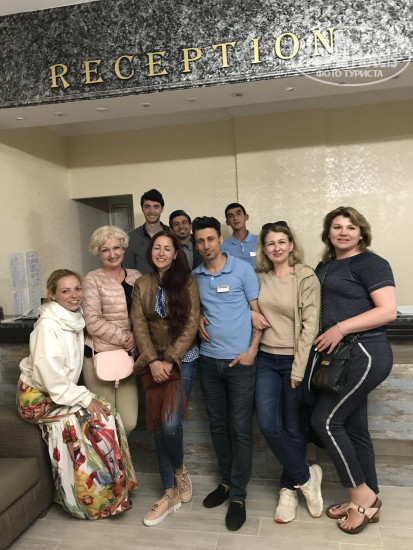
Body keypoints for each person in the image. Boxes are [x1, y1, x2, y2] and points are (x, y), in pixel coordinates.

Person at [17, 269, 137, 519]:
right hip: (37, 398)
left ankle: (117, 488)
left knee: (108, 414)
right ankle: (89, 501)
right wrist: (84, 398)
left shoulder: (74, 319)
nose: (74, 295)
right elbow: (50, 377)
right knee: (90, 421)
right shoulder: (47, 326)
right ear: (52, 294)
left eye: (77, 289)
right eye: (65, 291)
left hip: (60, 393)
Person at [310, 206, 397, 535]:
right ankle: (370, 499)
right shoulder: (325, 266)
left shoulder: (372, 263)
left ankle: (360, 496)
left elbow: (387, 311)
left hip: (365, 352)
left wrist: (341, 328)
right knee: (355, 426)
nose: (343, 232)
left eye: (351, 227)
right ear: (328, 232)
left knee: (325, 421)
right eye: (337, 226)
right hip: (340, 357)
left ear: (361, 233)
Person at [192, 216, 261, 531]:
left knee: (241, 429)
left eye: (210, 239)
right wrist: (197, 317)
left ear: (221, 240)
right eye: (200, 241)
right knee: (218, 426)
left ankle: (239, 496)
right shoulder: (195, 276)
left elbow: (258, 315)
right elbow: (193, 309)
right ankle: (226, 482)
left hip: (240, 364)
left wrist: (252, 351)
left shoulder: (243, 270)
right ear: (196, 245)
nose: (206, 245)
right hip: (209, 362)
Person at [254, 221, 322, 524]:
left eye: (282, 242)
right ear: (264, 248)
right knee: (269, 425)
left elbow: (310, 326)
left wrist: (299, 367)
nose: (277, 248)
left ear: (291, 245)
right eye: (271, 243)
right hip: (266, 359)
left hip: (295, 359)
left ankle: (288, 490)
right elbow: (245, 304)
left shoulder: (305, 276)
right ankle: (306, 477)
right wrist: (252, 312)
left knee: (294, 429)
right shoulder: (259, 277)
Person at [131, 230, 200, 526]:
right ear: (151, 252)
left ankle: (180, 470)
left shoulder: (187, 282)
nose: (161, 252)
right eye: (156, 247)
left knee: (170, 425)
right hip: (152, 364)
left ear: (176, 253)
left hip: (182, 361)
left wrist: (169, 359)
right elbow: (138, 324)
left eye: (167, 248)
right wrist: (152, 360)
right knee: (159, 426)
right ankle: (169, 490)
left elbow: (191, 323)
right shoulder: (142, 284)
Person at [82, 225, 141, 436]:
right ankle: (109, 459)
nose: (112, 254)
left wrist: (137, 336)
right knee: (103, 424)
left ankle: (120, 456)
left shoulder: (136, 276)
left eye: (116, 247)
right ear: (98, 253)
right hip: (99, 356)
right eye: (105, 250)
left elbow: (145, 314)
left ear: (123, 248)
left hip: (127, 357)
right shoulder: (92, 279)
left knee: (129, 421)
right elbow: (92, 321)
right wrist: (126, 338)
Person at [123, 189, 169, 273]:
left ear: (162, 209)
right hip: (141, 282)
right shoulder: (131, 238)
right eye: (147, 207)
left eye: (156, 206)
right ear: (142, 209)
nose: (151, 211)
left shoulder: (171, 234)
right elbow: (128, 272)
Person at [221, 203, 258, 268]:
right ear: (227, 222)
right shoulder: (222, 246)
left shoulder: (259, 240)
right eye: (231, 216)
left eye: (238, 214)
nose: (235, 218)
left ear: (246, 217)